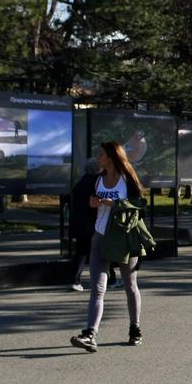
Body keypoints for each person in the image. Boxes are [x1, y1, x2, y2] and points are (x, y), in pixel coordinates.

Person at [69, 142, 145, 353]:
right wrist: (93, 203)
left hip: (123, 240)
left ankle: (135, 328)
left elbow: (140, 206)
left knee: (130, 286)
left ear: (111, 157)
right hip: (100, 237)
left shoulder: (127, 181)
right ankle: (90, 334)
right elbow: (90, 206)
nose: (98, 157)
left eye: (101, 154)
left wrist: (115, 204)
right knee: (97, 289)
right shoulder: (97, 180)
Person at [68, 158, 100, 291]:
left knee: (80, 252)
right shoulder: (97, 184)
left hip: (80, 223)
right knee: (100, 252)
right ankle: (109, 279)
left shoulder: (79, 184)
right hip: (93, 223)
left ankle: (75, 280)